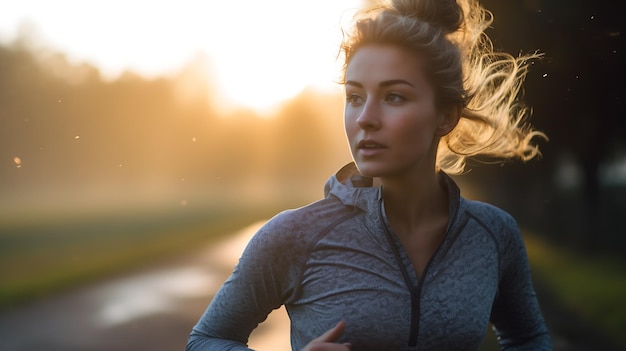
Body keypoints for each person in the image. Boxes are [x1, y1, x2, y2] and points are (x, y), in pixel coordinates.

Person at [186, 0, 552, 349]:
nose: (365, 118)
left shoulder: (493, 234)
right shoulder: (294, 235)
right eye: (355, 97)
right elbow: (206, 340)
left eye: (394, 97)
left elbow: (528, 338)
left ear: (446, 116)